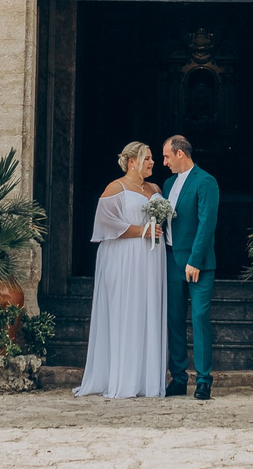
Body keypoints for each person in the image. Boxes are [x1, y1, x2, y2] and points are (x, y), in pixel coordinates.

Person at [74, 141, 168, 399]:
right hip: (124, 257)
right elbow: (104, 224)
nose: (152, 162)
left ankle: (146, 381)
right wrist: (142, 231)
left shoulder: (155, 188)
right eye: (147, 158)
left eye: (152, 158)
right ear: (132, 162)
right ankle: (123, 378)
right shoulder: (116, 188)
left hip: (151, 259)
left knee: (147, 310)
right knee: (125, 310)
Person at [161, 133, 221, 400]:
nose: (164, 162)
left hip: (199, 264)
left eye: (166, 156)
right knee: (174, 320)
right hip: (172, 260)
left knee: (199, 318)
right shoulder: (167, 184)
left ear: (180, 154)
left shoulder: (206, 182)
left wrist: (194, 260)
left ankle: (204, 380)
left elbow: (207, 223)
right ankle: (178, 378)